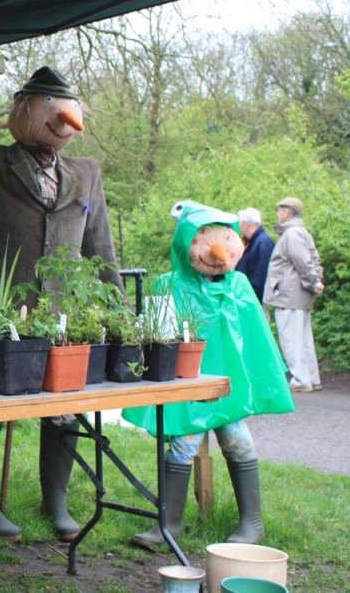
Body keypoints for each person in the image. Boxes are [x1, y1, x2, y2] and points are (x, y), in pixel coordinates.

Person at [0, 65, 123, 542]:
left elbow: (101, 247)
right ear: (25, 112)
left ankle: (55, 499)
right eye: (51, 110)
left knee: (61, 401)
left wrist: (116, 312)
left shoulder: (86, 174)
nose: (63, 122)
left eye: (70, 113)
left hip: (62, 312)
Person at [123, 201, 294, 548]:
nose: (217, 249)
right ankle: (169, 524)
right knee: (182, 445)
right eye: (204, 238)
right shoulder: (168, 285)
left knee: (237, 441)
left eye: (225, 238)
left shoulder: (239, 286)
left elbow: (257, 339)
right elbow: (159, 337)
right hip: (189, 388)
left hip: (226, 389)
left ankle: (252, 523)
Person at [263, 197, 325, 393]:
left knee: (291, 338)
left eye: (280, 210)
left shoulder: (291, 234)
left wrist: (314, 281)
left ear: (288, 213)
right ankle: (312, 378)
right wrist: (316, 280)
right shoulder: (302, 232)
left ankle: (301, 379)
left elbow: (303, 262)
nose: (277, 214)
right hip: (298, 294)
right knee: (304, 338)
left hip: (289, 294)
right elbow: (313, 259)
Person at [235, 207, 274, 301]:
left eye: (239, 224)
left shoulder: (263, 243)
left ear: (245, 224)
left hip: (254, 300)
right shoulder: (253, 241)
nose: (239, 228)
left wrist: (250, 298)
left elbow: (261, 276)